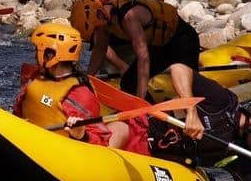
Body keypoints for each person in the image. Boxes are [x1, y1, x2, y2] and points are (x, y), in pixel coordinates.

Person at [70, 0, 205, 139]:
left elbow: (143, 57)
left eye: (96, 30)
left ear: (100, 16)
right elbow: (99, 50)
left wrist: (140, 100)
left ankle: (197, 122)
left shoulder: (129, 17)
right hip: (161, 45)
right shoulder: (102, 22)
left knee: (188, 86)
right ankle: (152, 123)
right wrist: (87, 79)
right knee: (129, 81)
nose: (98, 33)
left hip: (182, 39)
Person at [13, 23, 149, 154]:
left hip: (67, 153)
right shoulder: (35, 78)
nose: (35, 55)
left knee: (122, 127)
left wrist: (82, 135)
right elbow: (17, 112)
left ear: (51, 55)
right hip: (32, 144)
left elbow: (100, 141)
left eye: (39, 50)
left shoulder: (78, 94)